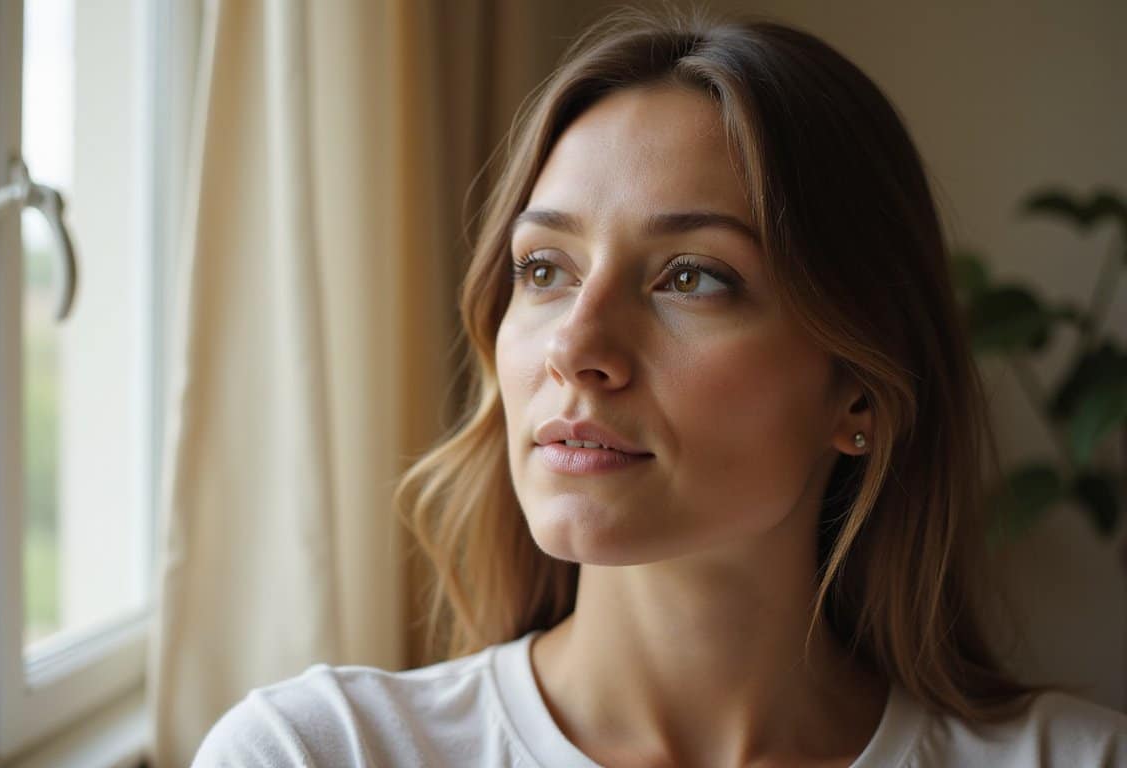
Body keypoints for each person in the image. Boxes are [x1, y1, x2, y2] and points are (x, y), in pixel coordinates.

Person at [193, 5, 1127, 766]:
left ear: (860, 396)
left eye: (691, 276)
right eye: (545, 269)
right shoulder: (315, 753)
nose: (576, 346)